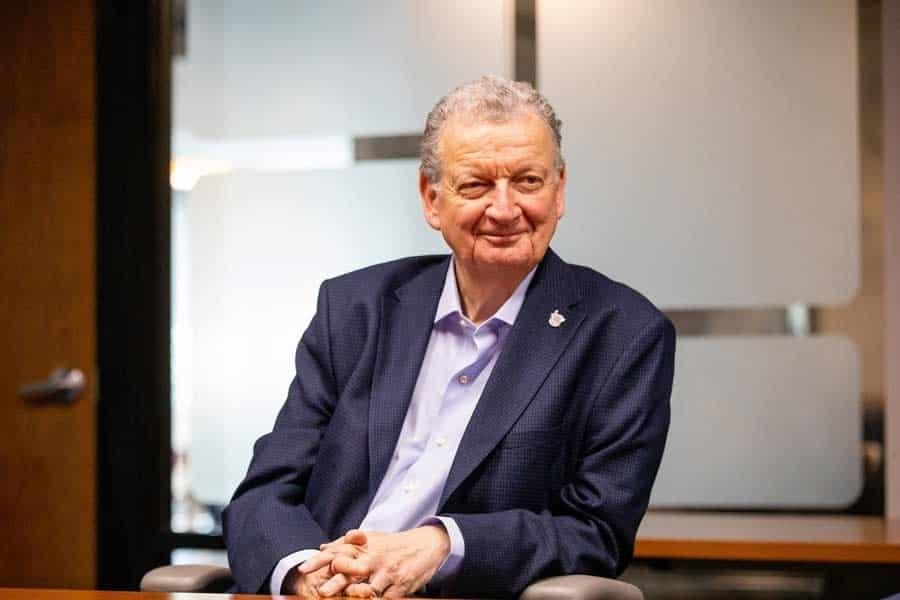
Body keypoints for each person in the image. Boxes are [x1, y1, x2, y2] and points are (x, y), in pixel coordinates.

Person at [223, 75, 676, 598]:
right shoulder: (354, 309)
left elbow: (596, 532)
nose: (504, 209)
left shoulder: (623, 335)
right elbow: (265, 492)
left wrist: (442, 546)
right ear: (431, 197)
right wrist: (306, 574)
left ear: (559, 190)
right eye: (476, 185)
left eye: (528, 181)